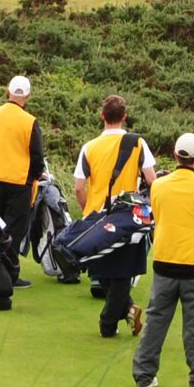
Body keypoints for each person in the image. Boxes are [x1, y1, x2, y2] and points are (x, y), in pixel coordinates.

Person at [134, 133, 194, 387]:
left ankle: (144, 376)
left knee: (156, 321)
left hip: (164, 262)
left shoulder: (158, 185)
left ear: (175, 156)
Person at [74, 95, 156, 336]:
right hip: (127, 217)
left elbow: (79, 187)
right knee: (119, 273)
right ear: (124, 116)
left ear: (102, 116)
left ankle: (118, 316)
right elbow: (152, 180)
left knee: (105, 272)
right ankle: (110, 322)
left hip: (97, 218)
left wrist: (87, 210)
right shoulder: (137, 143)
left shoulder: (89, 147)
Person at [0, 75, 48, 293]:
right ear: (27, 96)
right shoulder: (29, 121)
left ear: (8, 92)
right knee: (14, 230)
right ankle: (8, 274)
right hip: (19, 181)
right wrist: (37, 175)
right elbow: (37, 156)